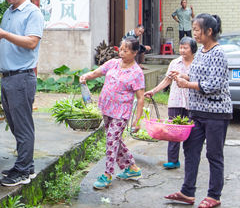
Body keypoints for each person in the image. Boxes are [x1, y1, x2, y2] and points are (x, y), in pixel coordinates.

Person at [164, 14, 232, 208]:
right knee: (191, 150)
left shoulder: (218, 53)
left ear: (209, 31)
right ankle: (187, 192)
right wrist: (183, 76)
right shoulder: (201, 51)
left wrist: (188, 84)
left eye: (196, 30)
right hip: (197, 112)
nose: (194, 33)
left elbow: (214, 85)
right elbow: (196, 76)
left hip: (216, 113)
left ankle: (214, 195)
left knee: (214, 154)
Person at [0, 0, 44, 187]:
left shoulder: (33, 13)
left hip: (22, 77)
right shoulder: (8, 12)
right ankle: (25, 165)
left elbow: (32, 42)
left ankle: (23, 170)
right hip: (8, 77)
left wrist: (4, 34)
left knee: (23, 126)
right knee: (14, 124)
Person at [80, 37, 146, 190]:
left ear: (134, 52)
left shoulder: (136, 73)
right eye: (120, 49)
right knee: (114, 139)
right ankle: (132, 168)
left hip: (121, 113)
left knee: (111, 139)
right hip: (107, 108)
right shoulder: (113, 63)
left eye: (126, 50)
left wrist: (137, 121)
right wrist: (86, 76)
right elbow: (98, 72)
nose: (121, 53)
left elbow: (140, 98)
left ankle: (107, 175)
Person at [144, 36, 197, 170]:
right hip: (176, 100)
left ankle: (191, 159)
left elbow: (199, 80)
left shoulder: (197, 63)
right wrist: (153, 91)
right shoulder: (174, 62)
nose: (182, 50)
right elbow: (167, 80)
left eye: (186, 48)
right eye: (181, 47)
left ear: (192, 49)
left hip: (192, 102)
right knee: (173, 131)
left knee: (191, 131)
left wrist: (183, 76)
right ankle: (173, 160)